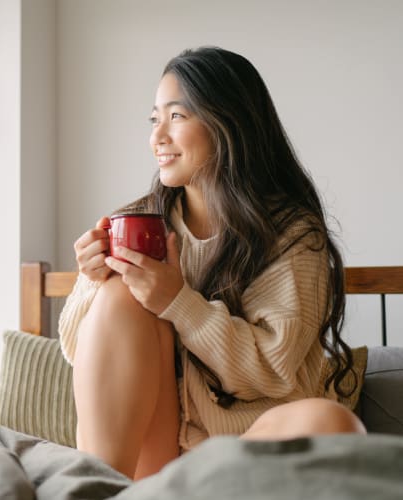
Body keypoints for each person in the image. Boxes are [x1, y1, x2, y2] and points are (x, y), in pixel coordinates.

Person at [58, 46, 366, 481]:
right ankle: (97, 489)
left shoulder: (293, 234)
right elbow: (79, 352)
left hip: (244, 455)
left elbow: (274, 371)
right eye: (154, 119)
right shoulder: (142, 223)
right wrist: (92, 281)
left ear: (228, 124)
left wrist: (178, 302)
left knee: (332, 423)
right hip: (156, 458)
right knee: (119, 294)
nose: (156, 137)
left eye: (176, 117)